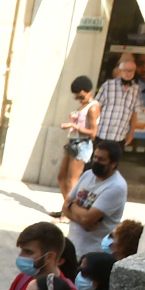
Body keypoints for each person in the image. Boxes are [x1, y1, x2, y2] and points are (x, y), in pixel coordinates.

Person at [63, 139, 129, 257]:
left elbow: (88, 219)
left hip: (92, 253)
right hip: (72, 246)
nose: (96, 161)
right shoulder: (88, 175)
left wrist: (72, 207)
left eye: (101, 159)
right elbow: (65, 207)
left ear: (113, 163)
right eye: (95, 157)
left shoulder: (116, 186)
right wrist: (72, 207)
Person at [55, 75, 98, 205]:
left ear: (89, 91)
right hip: (74, 143)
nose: (79, 100)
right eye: (76, 97)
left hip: (82, 144)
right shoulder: (84, 106)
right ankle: (67, 208)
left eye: (81, 96)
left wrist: (74, 126)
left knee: (71, 181)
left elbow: (93, 133)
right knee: (61, 177)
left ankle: (70, 211)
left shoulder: (93, 107)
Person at [92, 54, 143, 147]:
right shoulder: (108, 85)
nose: (129, 73)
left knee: (114, 161)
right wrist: (93, 127)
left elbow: (134, 113)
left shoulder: (136, 89)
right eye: (126, 70)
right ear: (120, 71)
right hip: (102, 132)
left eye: (132, 71)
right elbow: (96, 107)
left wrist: (131, 132)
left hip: (120, 136)